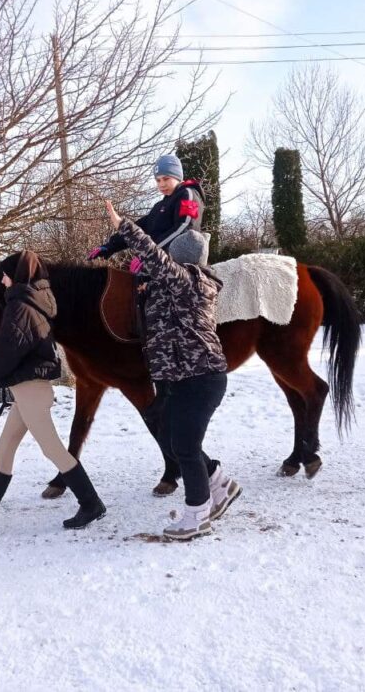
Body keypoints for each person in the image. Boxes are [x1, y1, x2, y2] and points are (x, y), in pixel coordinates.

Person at [103, 200, 241, 541]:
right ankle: (219, 483)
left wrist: (125, 226)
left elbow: (153, 257)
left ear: (181, 259)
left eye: (172, 258)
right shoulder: (175, 286)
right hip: (181, 377)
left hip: (202, 378)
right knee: (168, 434)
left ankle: (197, 514)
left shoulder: (190, 281)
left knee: (185, 447)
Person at [0, 251, 106, 533]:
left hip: (30, 388)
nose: (2, 278)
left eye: (7, 273)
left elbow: (5, 351)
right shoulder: (31, 301)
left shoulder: (21, 307)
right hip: (27, 388)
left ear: (19, 276)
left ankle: (91, 503)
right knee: (5, 446)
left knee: (52, 449)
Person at [88, 154, 204, 264]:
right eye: (158, 180)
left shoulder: (188, 194)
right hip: (156, 263)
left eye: (166, 178)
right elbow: (138, 230)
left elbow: (184, 228)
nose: (161, 184)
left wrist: (149, 254)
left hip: (178, 269)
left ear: (177, 176)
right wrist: (110, 246)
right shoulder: (160, 206)